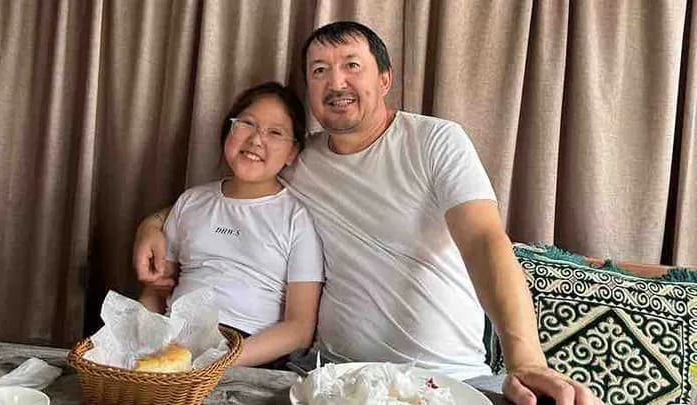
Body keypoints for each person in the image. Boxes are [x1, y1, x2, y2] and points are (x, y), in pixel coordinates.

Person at [134, 22, 600, 404]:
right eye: (319, 71)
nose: (336, 82)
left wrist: (526, 361)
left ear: (385, 79)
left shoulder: (436, 141)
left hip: (447, 379)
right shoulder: (300, 158)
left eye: (351, 65)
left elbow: (484, 240)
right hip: (331, 379)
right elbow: (232, 192)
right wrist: (153, 225)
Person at [138, 82, 324, 368]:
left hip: (248, 355)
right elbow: (157, 291)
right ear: (229, 130)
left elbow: (299, 329)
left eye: (275, 132)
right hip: (173, 347)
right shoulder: (191, 201)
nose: (256, 140)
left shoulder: (297, 220)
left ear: (292, 152)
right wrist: (140, 345)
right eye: (247, 124)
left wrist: (221, 361)